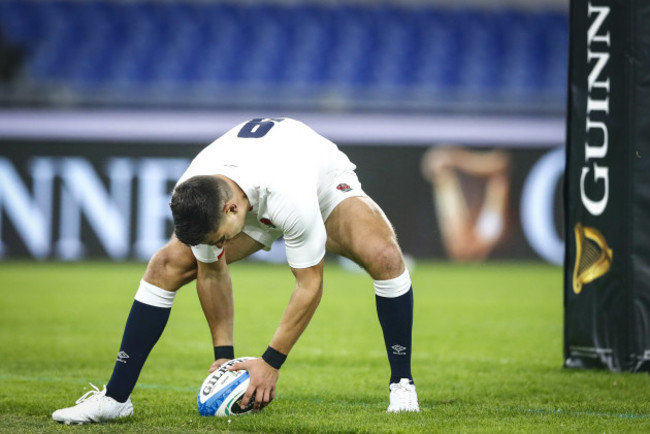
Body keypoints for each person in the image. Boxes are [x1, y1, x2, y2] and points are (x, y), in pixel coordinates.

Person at [52, 117, 419, 424]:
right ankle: (116, 398)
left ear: (230, 211)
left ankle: (402, 383)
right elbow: (211, 271)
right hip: (252, 193)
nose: (217, 247)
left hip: (318, 186)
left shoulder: (289, 195)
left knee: (384, 256)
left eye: (219, 239)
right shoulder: (195, 193)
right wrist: (223, 357)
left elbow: (309, 284)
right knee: (166, 264)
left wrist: (270, 363)